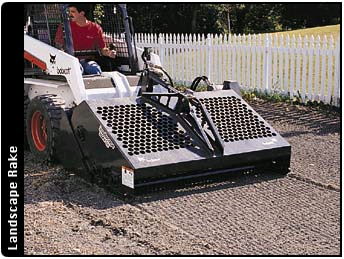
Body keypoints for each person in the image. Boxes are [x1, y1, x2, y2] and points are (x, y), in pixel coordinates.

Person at [55, 4, 116, 75]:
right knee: (78, 70)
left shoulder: (95, 28)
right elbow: (58, 47)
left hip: (88, 61)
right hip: (71, 61)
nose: (70, 14)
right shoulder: (64, 27)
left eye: (73, 12)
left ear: (82, 13)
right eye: (69, 12)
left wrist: (109, 53)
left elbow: (102, 49)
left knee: (95, 69)